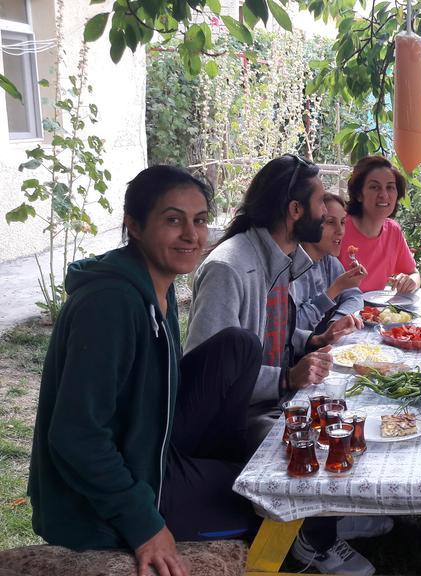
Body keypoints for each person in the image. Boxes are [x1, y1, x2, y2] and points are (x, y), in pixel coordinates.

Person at [29, 166, 262, 576]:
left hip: (150, 455)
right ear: (134, 226)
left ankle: (211, 474)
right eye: (173, 220)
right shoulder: (110, 306)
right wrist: (144, 525)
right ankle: (202, 489)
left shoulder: (159, 287)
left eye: (200, 220)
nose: (191, 235)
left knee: (239, 346)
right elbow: (75, 436)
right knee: (261, 503)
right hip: (96, 506)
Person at [185, 155, 382, 575]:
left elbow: (270, 334)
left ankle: (333, 514)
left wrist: (310, 340)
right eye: (318, 206)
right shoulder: (229, 267)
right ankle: (313, 541)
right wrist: (286, 378)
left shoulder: (278, 258)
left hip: (272, 394)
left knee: (351, 409)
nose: (326, 214)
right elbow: (206, 374)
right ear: (295, 211)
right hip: (236, 419)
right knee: (319, 438)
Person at [339, 156, 420, 293]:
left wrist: (411, 282)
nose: (383, 194)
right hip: (338, 312)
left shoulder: (393, 231)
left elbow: (414, 274)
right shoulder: (339, 227)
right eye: (374, 187)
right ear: (359, 194)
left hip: (374, 313)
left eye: (390, 187)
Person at [292, 192, 366, 334]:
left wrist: (337, 321)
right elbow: (294, 327)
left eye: (342, 222)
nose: (340, 231)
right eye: (330, 222)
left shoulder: (329, 262)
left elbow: (354, 296)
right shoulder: (293, 269)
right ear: (309, 224)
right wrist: (335, 289)